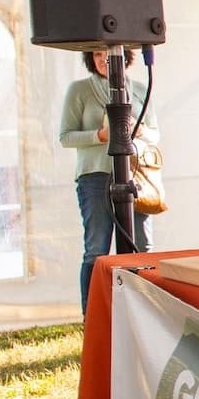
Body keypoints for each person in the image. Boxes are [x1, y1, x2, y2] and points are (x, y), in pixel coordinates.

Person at [59, 48, 156, 311]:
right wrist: (99, 136)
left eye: (109, 54)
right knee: (96, 247)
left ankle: (143, 310)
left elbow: (154, 135)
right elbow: (65, 136)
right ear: (90, 59)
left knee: (142, 246)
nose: (104, 59)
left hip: (135, 176)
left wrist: (137, 130)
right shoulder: (79, 90)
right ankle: (92, 314)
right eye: (97, 55)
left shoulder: (139, 89)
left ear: (125, 57)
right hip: (95, 177)